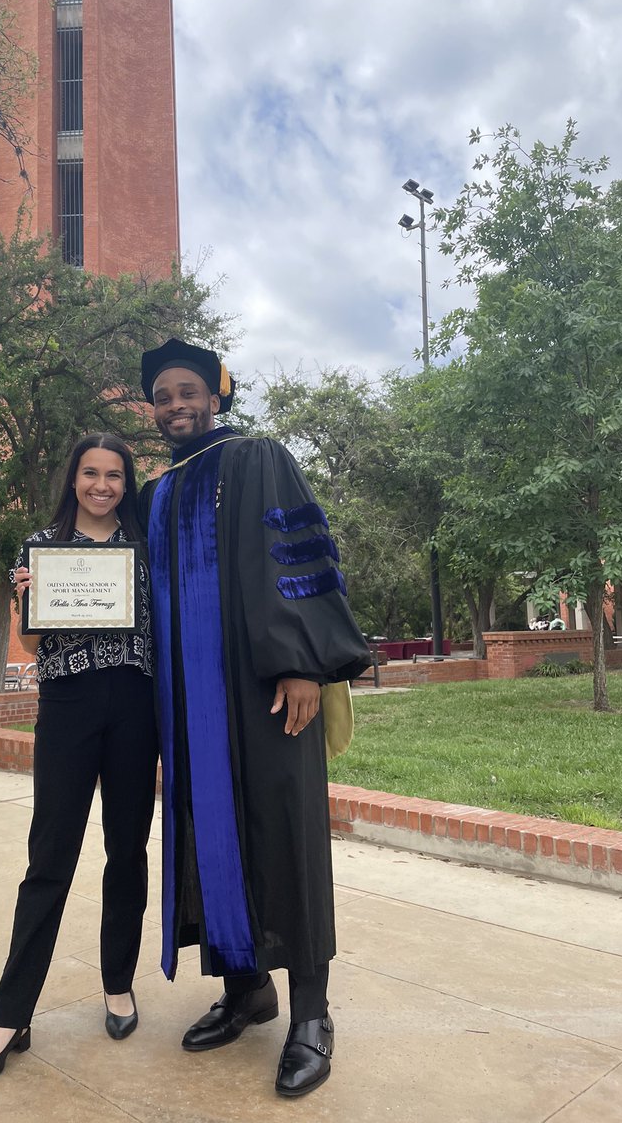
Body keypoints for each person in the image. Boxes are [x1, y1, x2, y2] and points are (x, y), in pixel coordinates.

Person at [139, 338, 370, 1098]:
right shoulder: (161, 491)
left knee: (286, 833)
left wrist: (302, 662)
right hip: (191, 702)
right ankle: (247, 990)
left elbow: (293, 560)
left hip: (268, 689)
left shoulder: (258, 455)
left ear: (217, 394)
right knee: (211, 839)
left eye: (188, 391)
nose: (176, 404)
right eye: (163, 395)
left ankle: (311, 1012)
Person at [0, 433, 158, 1087]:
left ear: (125, 484)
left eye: (114, 476)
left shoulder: (142, 551)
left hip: (135, 706)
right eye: (90, 473)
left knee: (127, 851)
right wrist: (30, 592)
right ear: (73, 478)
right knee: (49, 859)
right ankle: (10, 1015)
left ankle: (118, 983)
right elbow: (31, 637)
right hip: (69, 707)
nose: (102, 485)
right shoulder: (41, 548)